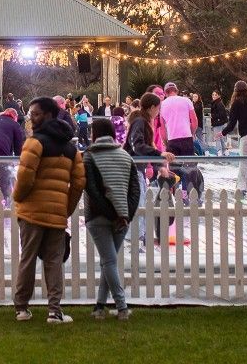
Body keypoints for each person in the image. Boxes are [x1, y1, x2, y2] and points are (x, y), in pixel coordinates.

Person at [12, 97, 86, 324]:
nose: (31, 117)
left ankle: (22, 308)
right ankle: (55, 311)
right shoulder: (71, 149)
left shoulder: (34, 143)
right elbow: (79, 183)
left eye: (35, 114)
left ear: (48, 115)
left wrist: (18, 199)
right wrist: (66, 208)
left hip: (31, 212)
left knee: (28, 258)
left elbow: (24, 177)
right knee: (54, 261)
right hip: (56, 214)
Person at [84, 117, 140, 321]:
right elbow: (135, 190)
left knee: (108, 261)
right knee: (110, 261)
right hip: (122, 217)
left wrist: (109, 213)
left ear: (95, 134)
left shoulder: (89, 156)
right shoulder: (126, 156)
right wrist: (125, 215)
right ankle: (99, 306)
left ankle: (121, 306)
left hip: (97, 217)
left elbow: (91, 189)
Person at [123, 93, 176, 247]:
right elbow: (138, 146)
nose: (159, 112)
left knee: (140, 203)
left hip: (136, 168)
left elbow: (147, 147)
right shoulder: (140, 122)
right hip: (132, 168)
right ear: (152, 107)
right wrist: (159, 155)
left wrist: (158, 165)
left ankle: (137, 238)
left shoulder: (143, 122)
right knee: (138, 204)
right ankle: (134, 239)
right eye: (158, 108)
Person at [158, 82, 197, 157]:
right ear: (177, 91)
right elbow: (194, 120)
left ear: (165, 93)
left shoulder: (162, 105)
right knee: (190, 167)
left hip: (172, 139)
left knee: (174, 167)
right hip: (186, 138)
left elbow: (161, 128)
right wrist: (191, 133)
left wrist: (166, 143)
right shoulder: (186, 101)